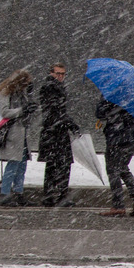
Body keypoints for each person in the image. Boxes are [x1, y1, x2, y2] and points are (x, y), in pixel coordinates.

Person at [96, 93, 134, 217]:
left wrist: (104, 109)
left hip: (116, 138)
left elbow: (100, 113)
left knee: (113, 170)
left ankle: (118, 205)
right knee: (123, 168)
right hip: (132, 137)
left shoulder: (110, 92)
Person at [37, 63, 81, 207]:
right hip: (55, 131)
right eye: (58, 73)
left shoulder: (54, 87)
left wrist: (67, 122)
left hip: (54, 131)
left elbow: (57, 111)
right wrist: (70, 123)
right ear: (51, 73)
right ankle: (59, 195)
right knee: (61, 165)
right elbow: (56, 110)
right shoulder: (51, 87)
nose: (60, 76)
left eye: (63, 74)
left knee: (55, 165)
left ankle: (51, 195)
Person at [0, 68, 38, 208]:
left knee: (22, 164)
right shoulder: (6, 92)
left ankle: (19, 193)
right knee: (13, 163)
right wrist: (22, 110)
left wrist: (30, 102)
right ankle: (5, 194)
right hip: (12, 132)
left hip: (22, 131)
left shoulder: (21, 93)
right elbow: (4, 112)